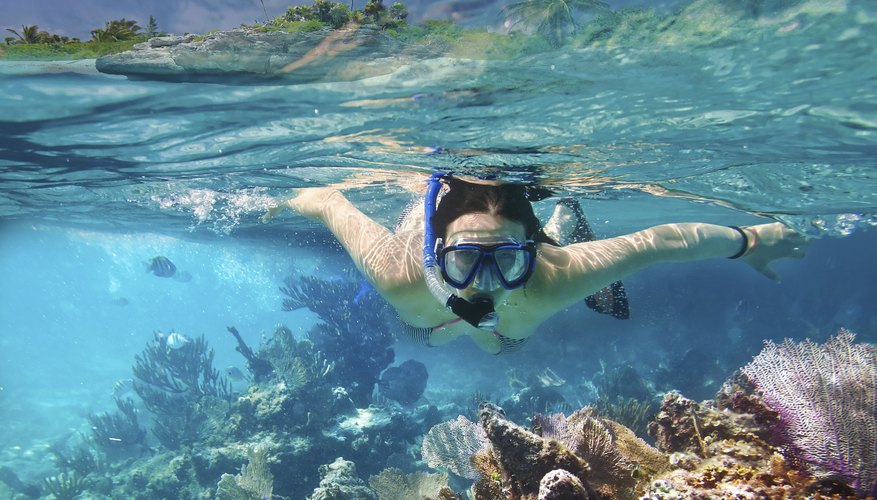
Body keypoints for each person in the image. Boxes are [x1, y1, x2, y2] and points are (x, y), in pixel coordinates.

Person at [263, 174, 808, 354]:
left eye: (505, 260)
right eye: (466, 260)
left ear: (531, 253)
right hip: (429, 322)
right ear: (436, 255)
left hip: (520, 294)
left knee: (498, 340)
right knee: (440, 332)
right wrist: (282, 199)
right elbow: (330, 200)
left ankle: (559, 221)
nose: (484, 282)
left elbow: (660, 241)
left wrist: (750, 239)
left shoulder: (553, 275)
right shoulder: (399, 273)